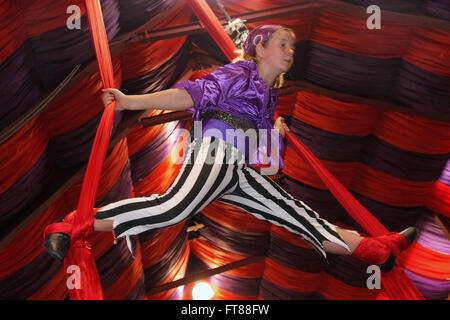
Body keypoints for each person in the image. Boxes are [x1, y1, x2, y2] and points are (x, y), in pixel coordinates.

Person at [44, 25, 416, 272]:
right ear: (261, 47)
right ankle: (75, 223)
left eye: (293, 46)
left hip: (236, 168)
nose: (290, 51)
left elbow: (260, 148)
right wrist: (129, 101)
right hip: (214, 151)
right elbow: (190, 95)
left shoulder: (270, 98)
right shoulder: (238, 72)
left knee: (298, 215)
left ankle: (373, 250)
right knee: (174, 207)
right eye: (283, 43)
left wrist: (276, 133)